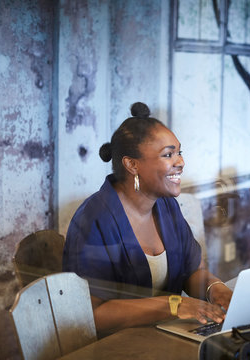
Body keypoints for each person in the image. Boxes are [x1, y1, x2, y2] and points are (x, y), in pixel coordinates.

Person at [63, 102, 232, 335]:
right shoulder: (94, 220)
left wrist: (215, 289)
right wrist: (174, 305)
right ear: (132, 165)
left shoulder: (167, 206)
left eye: (179, 152)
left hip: (164, 336)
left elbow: (192, 271)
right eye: (168, 154)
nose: (180, 162)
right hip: (117, 347)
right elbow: (93, 314)